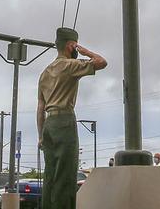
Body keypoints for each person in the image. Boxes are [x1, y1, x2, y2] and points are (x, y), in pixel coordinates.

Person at [37, 27, 107, 209]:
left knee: (50, 176)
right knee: (65, 177)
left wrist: (40, 136)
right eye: (75, 47)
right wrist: (84, 51)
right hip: (64, 122)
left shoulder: (45, 72)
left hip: (48, 125)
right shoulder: (70, 65)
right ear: (71, 46)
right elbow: (101, 62)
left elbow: (40, 107)